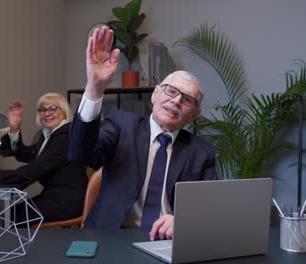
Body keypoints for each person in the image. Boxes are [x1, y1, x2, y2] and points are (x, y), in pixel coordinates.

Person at [69, 27, 217, 240]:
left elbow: (210, 207)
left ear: (194, 115)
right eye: (171, 91)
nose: (176, 101)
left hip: (168, 241)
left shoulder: (202, 153)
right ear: (155, 94)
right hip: (111, 237)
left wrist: (184, 220)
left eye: (187, 99)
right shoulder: (122, 125)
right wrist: (94, 88)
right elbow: (79, 155)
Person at [0, 93, 88, 223]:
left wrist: (0, 176)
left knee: (6, 217)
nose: (47, 113)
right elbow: (28, 155)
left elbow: (39, 167)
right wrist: (14, 129)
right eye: (43, 110)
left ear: (65, 112)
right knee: (6, 214)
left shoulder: (66, 135)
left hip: (67, 202)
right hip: (55, 197)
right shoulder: (49, 135)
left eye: (53, 108)